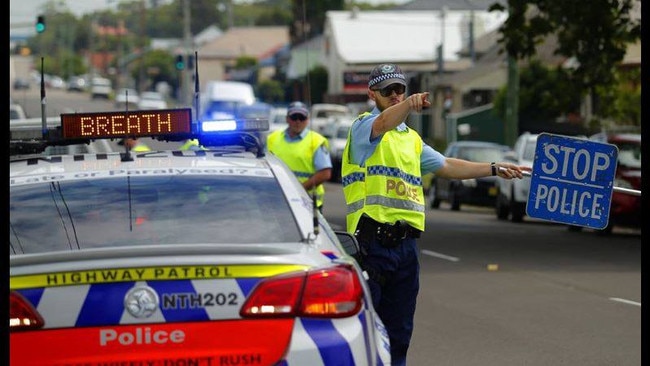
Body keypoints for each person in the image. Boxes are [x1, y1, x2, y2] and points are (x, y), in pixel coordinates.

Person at [341, 63, 531, 365]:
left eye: (399, 89)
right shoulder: (364, 126)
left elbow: (447, 165)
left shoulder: (411, 140)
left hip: (406, 248)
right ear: (371, 94)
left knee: (400, 334)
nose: (395, 95)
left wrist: (494, 168)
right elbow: (383, 124)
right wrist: (406, 105)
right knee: (366, 332)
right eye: (387, 90)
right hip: (371, 244)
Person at [267, 101, 333, 212]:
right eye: (294, 117)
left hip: (307, 202)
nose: (298, 121)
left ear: (307, 120)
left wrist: (299, 189)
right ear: (287, 119)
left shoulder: (316, 141)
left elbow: (325, 174)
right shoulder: (272, 138)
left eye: (301, 118)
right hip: (278, 200)